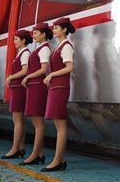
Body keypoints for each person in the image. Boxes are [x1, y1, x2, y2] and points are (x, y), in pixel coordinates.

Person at [42, 17, 75, 172]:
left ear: (64, 30)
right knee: (59, 125)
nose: (53, 30)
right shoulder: (60, 46)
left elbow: (69, 67)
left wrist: (51, 75)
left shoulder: (66, 46)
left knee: (61, 126)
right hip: (56, 87)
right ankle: (61, 160)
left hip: (61, 88)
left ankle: (57, 161)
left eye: (56, 28)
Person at [20, 22, 52, 166]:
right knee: (35, 122)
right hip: (33, 86)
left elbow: (43, 69)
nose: (33, 35)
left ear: (43, 34)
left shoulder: (44, 49)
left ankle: (34, 154)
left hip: (38, 86)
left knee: (38, 123)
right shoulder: (39, 48)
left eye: (36, 33)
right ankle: (40, 154)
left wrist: (27, 77)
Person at [1, 29, 32, 159]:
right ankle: (20, 147)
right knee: (19, 120)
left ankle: (15, 149)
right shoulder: (22, 53)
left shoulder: (24, 53)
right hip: (17, 88)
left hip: (19, 88)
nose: (14, 42)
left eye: (16, 39)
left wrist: (10, 77)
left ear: (23, 40)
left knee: (17, 120)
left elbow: (25, 70)